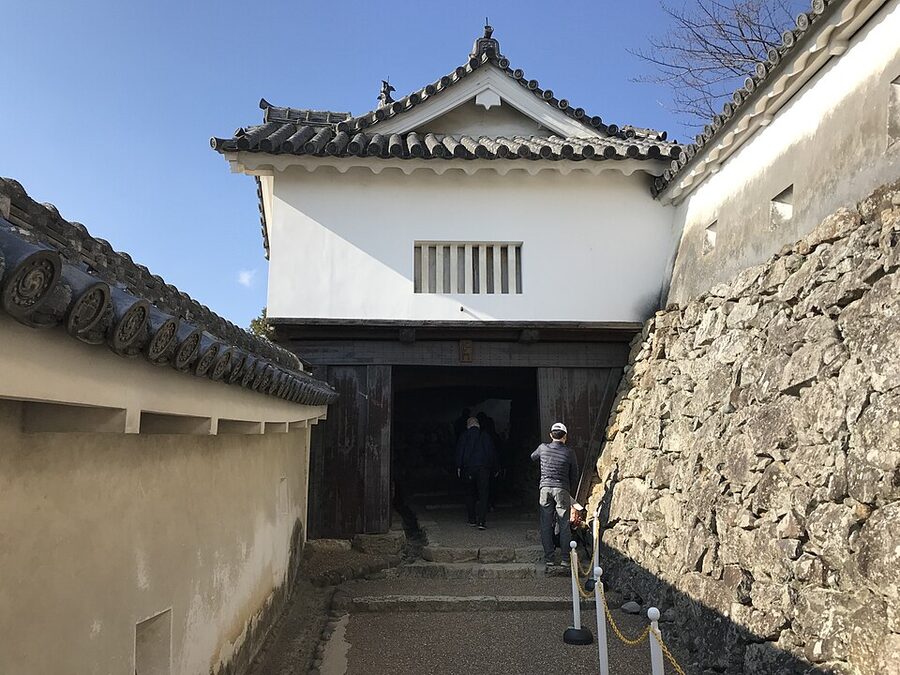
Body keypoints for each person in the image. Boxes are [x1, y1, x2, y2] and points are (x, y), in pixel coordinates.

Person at [531, 422, 579, 569]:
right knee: (563, 524)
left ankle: (549, 559)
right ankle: (565, 559)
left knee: (545, 524)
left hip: (545, 488)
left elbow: (533, 457)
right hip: (562, 489)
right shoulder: (569, 452)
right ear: (565, 436)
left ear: (551, 435)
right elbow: (575, 474)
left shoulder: (543, 448)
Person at [456, 417, 498, 530]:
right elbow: (491, 453)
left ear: (468, 425)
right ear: (478, 425)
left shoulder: (464, 436)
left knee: (470, 493)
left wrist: (459, 466)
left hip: (468, 468)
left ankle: (472, 518)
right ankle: (482, 522)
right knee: (483, 494)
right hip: (483, 469)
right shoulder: (485, 436)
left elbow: (460, 451)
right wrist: (494, 468)